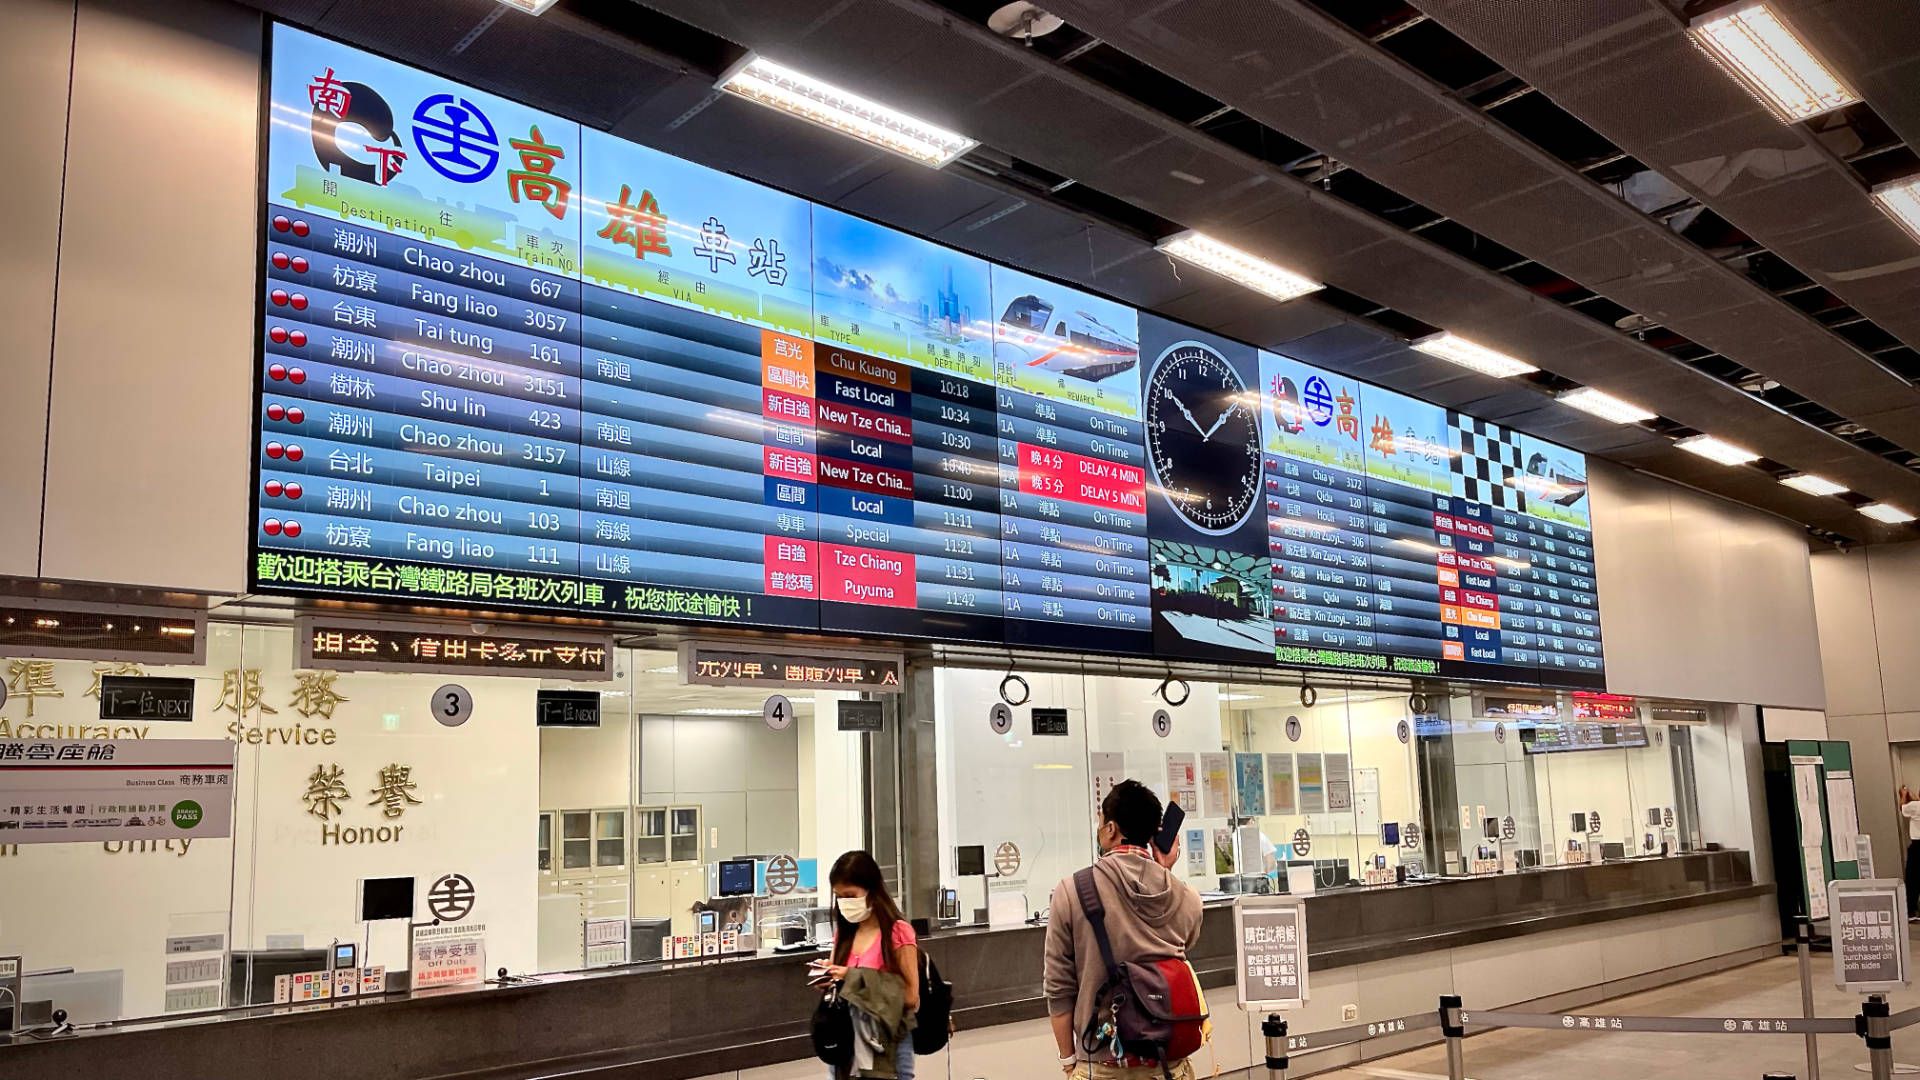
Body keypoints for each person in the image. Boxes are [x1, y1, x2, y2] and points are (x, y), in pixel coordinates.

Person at [1045, 780, 1204, 1079]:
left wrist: (1069, 1062)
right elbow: (1178, 949)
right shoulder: (1188, 899)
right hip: (1169, 1066)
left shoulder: (1071, 892)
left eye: (1101, 821)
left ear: (1111, 829)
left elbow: (1059, 989)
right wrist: (1164, 870)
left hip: (1103, 1066)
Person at [820, 850, 919, 1078]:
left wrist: (852, 977)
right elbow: (841, 985)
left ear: (871, 890)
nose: (844, 903)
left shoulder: (897, 932)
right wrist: (829, 977)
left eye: (850, 895)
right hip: (845, 1046)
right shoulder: (844, 934)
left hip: (887, 1046)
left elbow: (911, 996)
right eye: (839, 896)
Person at [1902, 787, 1920, 921]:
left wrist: (1904, 794)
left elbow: (1903, 808)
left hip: (1917, 847)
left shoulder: (1915, 806)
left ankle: (1911, 911)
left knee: (1912, 878)